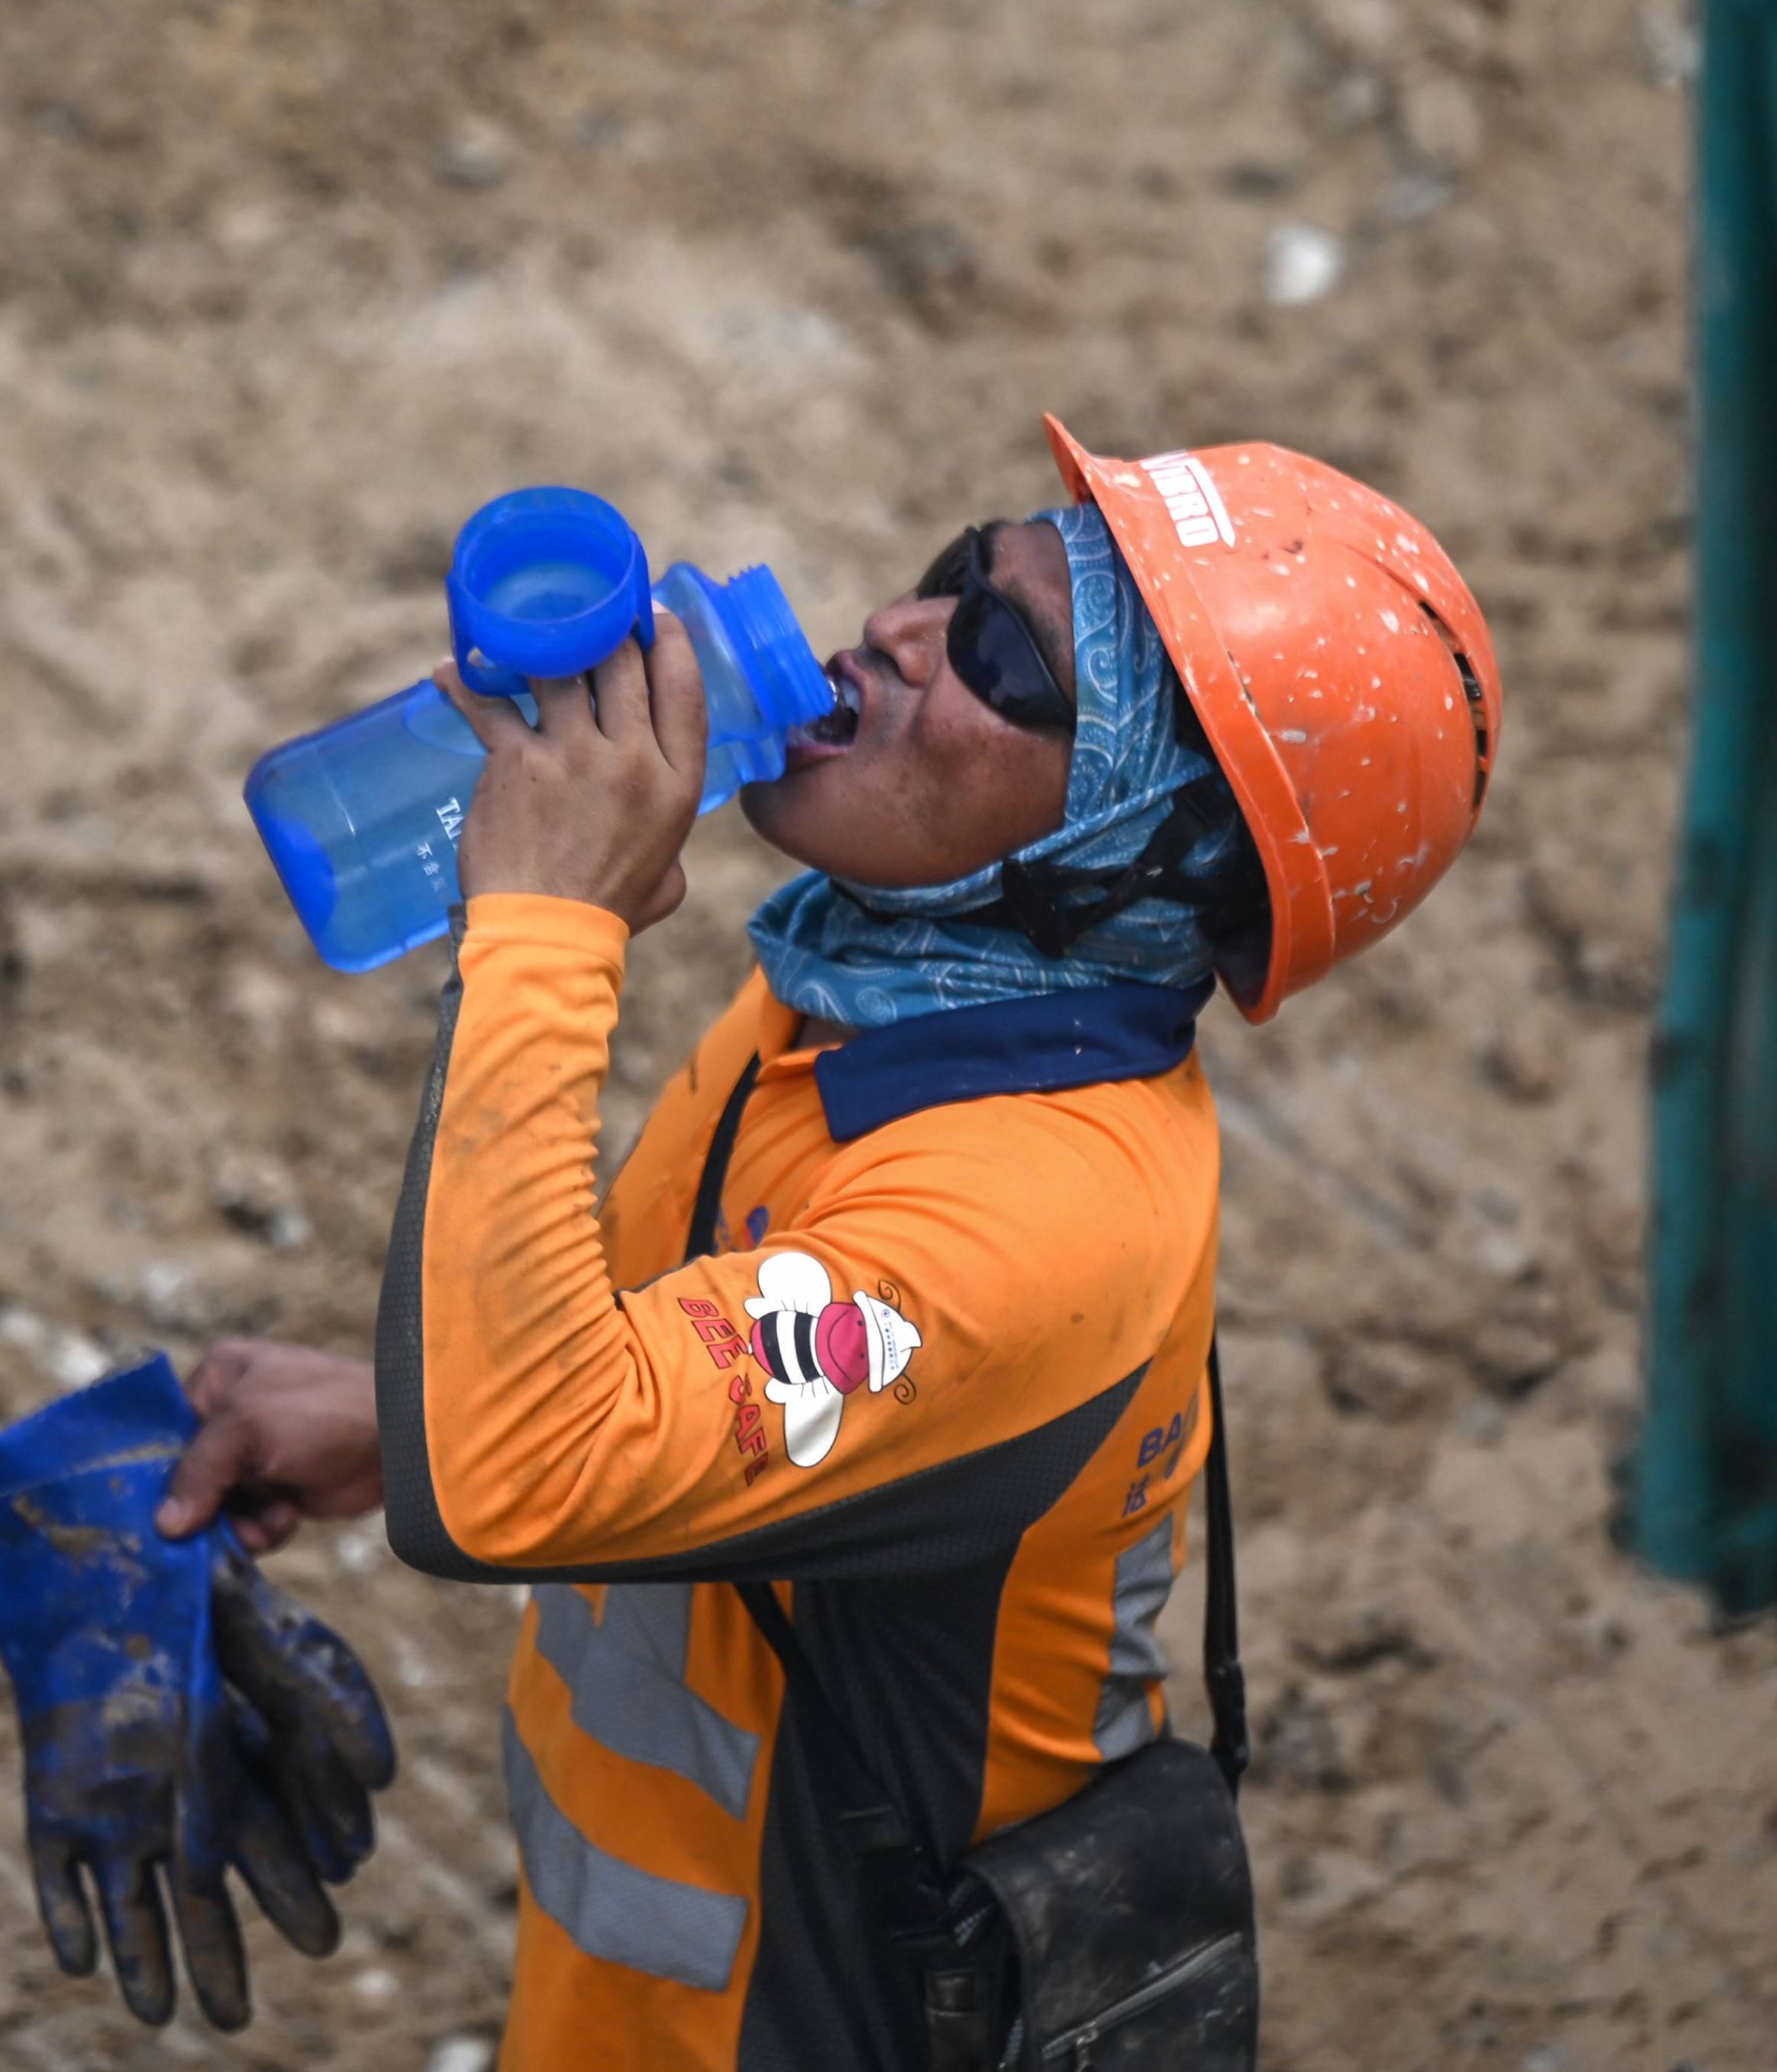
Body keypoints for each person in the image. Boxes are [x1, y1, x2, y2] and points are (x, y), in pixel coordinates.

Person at [154, 417, 1502, 2070]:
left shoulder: (1029, 1223)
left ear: (1139, 861)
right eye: (963, 571)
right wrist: (393, 1409)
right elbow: (716, 1351)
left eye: (996, 655)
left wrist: (545, 936)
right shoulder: (878, 977)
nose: (901, 629)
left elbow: (513, 1471)